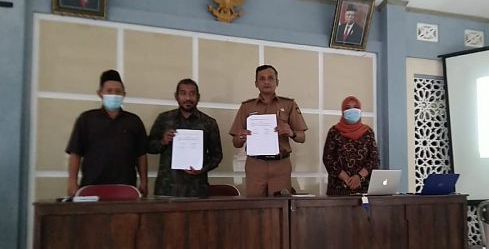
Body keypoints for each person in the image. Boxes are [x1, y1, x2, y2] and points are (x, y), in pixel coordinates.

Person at [66, 69, 148, 197]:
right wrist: (72, 182)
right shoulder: (86, 119)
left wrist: (144, 181)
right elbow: (75, 152)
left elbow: (141, 155)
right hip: (92, 185)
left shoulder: (134, 121)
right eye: (109, 91)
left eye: (118, 91)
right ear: (100, 93)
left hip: (125, 187)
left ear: (124, 95)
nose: (114, 94)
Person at [229, 65, 308, 196]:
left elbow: (302, 137)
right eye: (262, 79)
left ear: (277, 82)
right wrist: (240, 137)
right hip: (256, 165)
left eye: (270, 78)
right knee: (255, 206)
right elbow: (235, 143)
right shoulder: (246, 107)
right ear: (256, 83)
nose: (266, 82)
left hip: (280, 165)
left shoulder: (289, 104)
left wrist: (291, 132)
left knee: (280, 205)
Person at [147, 78, 223, 197]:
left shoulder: (209, 123)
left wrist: (202, 169)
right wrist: (163, 141)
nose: (188, 98)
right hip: (167, 188)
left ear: (198, 97)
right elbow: (149, 147)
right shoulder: (164, 119)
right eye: (183, 93)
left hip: (197, 188)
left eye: (192, 94)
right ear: (176, 96)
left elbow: (216, 155)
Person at [323, 95, 380, 195]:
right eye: (348, 108)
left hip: (363, 188)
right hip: (338, 189)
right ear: (343, 111)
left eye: (356, 107)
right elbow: (328, 159)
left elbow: (374, 159)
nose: (352, 110)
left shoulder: (368, 132)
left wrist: (359, 177)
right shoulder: (334, 132)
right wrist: (346, 178)